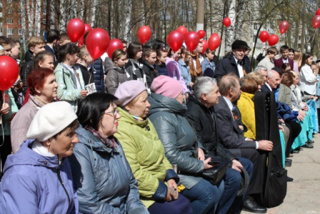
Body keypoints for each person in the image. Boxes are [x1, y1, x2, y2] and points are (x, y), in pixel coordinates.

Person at [148, 76, 227, 214]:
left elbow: (191, 134)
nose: (184, 95)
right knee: (208, 193)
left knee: (219, 184)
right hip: (177, 171)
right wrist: (199, 166)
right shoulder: (162, 118)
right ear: (171, 96)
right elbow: (169, 155)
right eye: (180, 93)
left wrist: (199, 147)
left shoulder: (176, 111)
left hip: (189, 163)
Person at [114, 80, 192, 214]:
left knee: (185, 204)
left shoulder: (145, 121)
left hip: (161, 182)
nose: (149, 105)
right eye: (143, 101)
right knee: (179, 208)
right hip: (144, 194)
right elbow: (134, 172)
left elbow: (161, 154)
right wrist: (161, 190)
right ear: (127, 105)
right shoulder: (122, 130)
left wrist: (170, 177)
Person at [68, 93, 149, 213]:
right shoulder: (81, 149)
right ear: (94, 116)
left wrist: (137, 210)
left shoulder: (113, 142)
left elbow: (131, 183)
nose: (118, 117)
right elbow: (87, 202)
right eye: (113, 112)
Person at [185, 76, 254, 213]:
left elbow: (215, 142)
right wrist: (228, 164)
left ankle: (234, 210)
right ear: (204, 96)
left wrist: (231, 159)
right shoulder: (193, 112)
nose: (219, 95)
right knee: (233, 177)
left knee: (246, 164)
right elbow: (201, 147)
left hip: (215, 153)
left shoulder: (210, 108)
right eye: (216, 92)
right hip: (205, 160)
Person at [0, 101, 79, 213]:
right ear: (48, 140)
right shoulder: (21, 175)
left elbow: (72, 205)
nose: (76, 140)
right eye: (70, 135)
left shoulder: (60, 159)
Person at [214, 73, 273, 213]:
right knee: (254, 152)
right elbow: (228, 141)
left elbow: (237, 130)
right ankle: (247, 197)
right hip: (223, 149)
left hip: (231, 143)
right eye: (239, 88)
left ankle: (256, 191)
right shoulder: (221, 108)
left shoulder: (230, 105)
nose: (241, 91)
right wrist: (256, 144)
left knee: (258, 148)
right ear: (231, 91)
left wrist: (247, 140)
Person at [54, 43, 88, 112]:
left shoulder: (76, 68)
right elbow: (60, 94)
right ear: (68, 56)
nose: (78, 57)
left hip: (81, 105)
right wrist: (78, 93)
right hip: (70, 108)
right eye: (76, 55)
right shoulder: (60, 71)